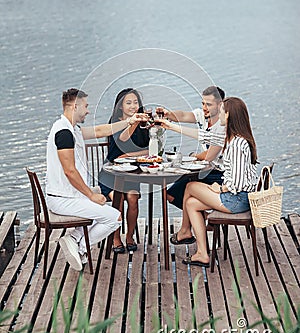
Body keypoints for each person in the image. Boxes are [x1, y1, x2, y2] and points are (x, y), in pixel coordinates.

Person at [46, 88, 145, 271]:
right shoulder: (64, 133)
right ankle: (81, 247)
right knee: (114, 218)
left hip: (70, 196)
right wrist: (90, 195)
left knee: (104, 213)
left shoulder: (72, 129)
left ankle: (74, 239)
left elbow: (101, 130)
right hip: (63, 199)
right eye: (85, 106)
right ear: (75, 106)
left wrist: (130, 121)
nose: (88, 111)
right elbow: (69, 171)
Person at [162, 97, 258, 267]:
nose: (218, 114)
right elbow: (203, 135)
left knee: (191, 186)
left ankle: (185, 231)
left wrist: (219, 188)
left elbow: (238, 182)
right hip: (239, 197)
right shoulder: (233, 137)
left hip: (237, 200)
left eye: (221, 111)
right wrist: (171, 126)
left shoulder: (236, 144)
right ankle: (202, 253)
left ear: (228, 115)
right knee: (191, 203)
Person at [99, 88, 150, 254]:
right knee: (118, 199)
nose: (133, 106)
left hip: (131, 173)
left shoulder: (143, 124)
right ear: (120, 106)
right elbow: (122, 140)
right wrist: (133, 122)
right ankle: (115, 237)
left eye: (136, 102)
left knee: (133, 198)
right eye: (128, 103)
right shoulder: (115, 122)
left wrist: (129, 154)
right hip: (111, 173)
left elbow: (149, 150)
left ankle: (129, 236)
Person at [159, 86, 225, 210]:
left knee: (188, 191)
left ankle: (191, 226)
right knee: (170, 195)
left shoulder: (223, 125)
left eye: (209, 105)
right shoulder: (202, 115)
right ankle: (205, 219)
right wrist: (168, 114)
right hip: (205, 170)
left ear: (220, 104)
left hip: (222, 174)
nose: (204, 108)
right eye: (203, 103)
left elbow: (209, 155)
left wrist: (194, 157)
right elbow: (183, 115)